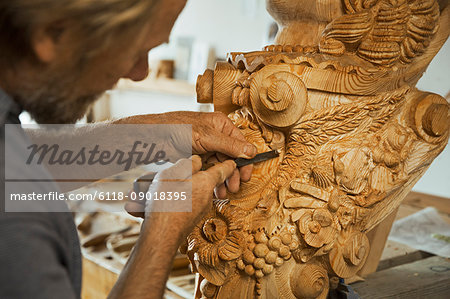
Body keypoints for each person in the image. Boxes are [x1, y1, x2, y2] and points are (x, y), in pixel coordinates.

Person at [0, 0, 256, 298]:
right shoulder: (16, 228)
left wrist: (157, 137)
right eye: (135, 50)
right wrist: (164, 229)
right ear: (51, 34)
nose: (140, 73)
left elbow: (20, 156)